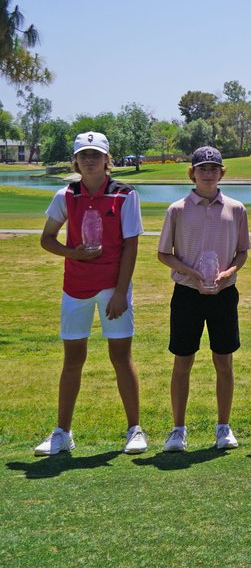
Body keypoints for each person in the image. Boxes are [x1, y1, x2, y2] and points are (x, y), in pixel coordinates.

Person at [35, 132, 147, 456]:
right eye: (83, 155)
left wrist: (121, 293)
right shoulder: (65, 194)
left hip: (113, 288)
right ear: (76, 160)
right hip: (76, 288)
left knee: (121, 358)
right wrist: (74, 254)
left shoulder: (126, 195)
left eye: (95, 154)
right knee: (73, 360)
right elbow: (47, 239)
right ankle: (62, 433)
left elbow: (131, 246)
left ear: (107, 159)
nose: (89, 160)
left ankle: (134, 430)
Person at [155, 146, 251, 452]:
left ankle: (223, 427)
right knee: (183, 361)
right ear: (192, 173)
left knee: (223, 360)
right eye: (202, 168)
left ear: (222, 172)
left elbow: (242, 252)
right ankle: (178, 429)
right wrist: (192, 273)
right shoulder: (177, 210)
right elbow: (163, 254)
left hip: (224, 294)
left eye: (213, 168)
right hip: (187, 293)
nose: (208, 173)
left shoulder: (236, 209)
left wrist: (228, 274)